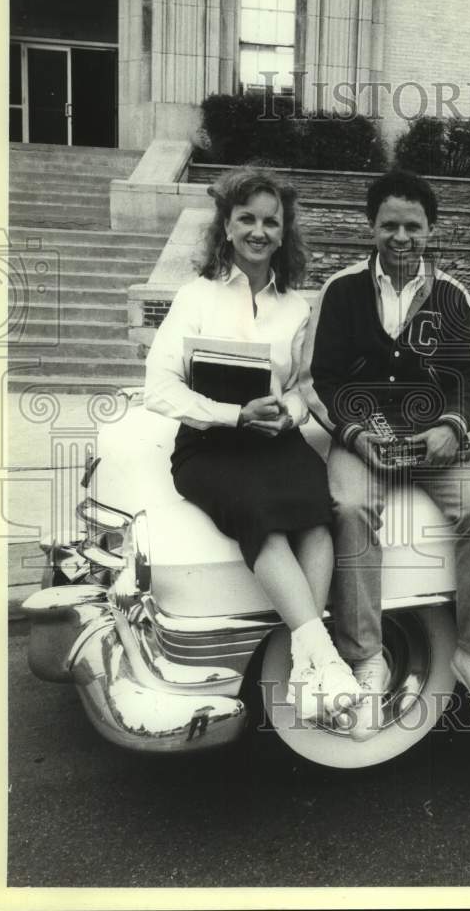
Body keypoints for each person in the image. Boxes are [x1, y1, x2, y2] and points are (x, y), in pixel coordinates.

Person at [144, 169, 362, 723]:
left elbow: (303, 386)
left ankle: (305, 661)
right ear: (226, 225)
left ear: (285, 233)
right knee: (259, 510)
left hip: (272, 440)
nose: (259, 231)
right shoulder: (196, 296)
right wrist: (231, 414)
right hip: (210, 445)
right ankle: (323, 658)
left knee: (316, 508)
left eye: (271, 221)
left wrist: (284, 415)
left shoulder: (296, 305)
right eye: (247, 218)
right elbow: (159, 387)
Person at [300, 168, 470, 742]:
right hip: (360, 439)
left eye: (412, 226)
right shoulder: (340, 291)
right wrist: (354, 435)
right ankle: (366, 660)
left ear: (430, 229)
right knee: (348, 509)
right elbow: (319, 378)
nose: (400, 237)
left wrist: (451, 425)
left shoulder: (452, 294)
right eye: (389, 224)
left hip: (434, 441)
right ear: (371, 227)